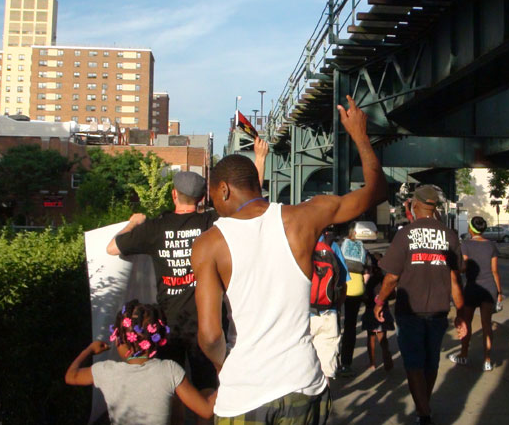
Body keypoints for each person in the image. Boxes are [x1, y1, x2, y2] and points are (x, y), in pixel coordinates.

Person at [190, 95, 386, 424]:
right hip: (303, 383)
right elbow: (376, 191)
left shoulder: (209, 244)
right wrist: (360, 137)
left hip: (244, 395)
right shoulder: (304, 218)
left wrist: (227, 366)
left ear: (223, 190)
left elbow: (210, 335)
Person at [105, 143, 267, 424]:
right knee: (207, 385)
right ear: (204, 197)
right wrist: (260, 159)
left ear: (173, 195)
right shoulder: (210, 221)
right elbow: (246, 203)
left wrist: (133, 222)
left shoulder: (154, 228)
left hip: (168, 324)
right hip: (207, 322)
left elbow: (110, 248)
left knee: (174, 385)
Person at [374, 184, 468, 425]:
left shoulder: (405, 234)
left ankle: (424, 412)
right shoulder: (449, 235)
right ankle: (424, 406)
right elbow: (454, 278)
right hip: (439, 309)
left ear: (415, 205)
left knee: (414, 362)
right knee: (431, 360)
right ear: (434, 208)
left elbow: (392, 276)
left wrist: (379, 300)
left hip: (410, 310)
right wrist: (461, 313)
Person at [65, 300, 216, 424]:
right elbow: (206, 410)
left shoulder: (106, 371)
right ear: (157, 340)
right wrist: (224, 370)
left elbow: (71, 376)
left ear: (119, 340)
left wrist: (89, 350)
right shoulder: (170, 370)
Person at [448, 216, 502, 371]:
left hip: (472, 288)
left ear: (471, 229)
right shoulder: (491, 245)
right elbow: (495, 271)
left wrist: (454, 269)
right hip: (489, 288)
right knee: (487, 325)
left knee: (467, 322)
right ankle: (487, 360)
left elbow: (463, 267)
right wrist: (499, 292)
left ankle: (463, 355)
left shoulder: (465, 244)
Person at [309, 232, 348, 379]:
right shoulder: (332, 247)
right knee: (326, 370)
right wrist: (337, 307)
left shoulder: (297, 241)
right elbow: (343, 283)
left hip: (302, 313)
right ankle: (324, 400)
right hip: (328, 312)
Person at [339, 223, 370, 377]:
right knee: (350, 327)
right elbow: (367, 273)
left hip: (341, 286)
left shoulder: (340, 246)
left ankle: (332, 358)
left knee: (335, 324)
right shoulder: (363, 249)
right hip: (357, 288)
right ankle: (346, 363)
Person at [362, 252, 394, 371]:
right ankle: (387, 359)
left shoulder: (370, 281)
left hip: (371, 311)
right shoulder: (386, 279)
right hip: (383, 310)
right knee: (383, 338)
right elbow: (392, 295)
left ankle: (372, 363)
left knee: (371, 338)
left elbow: (365, 296)